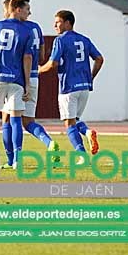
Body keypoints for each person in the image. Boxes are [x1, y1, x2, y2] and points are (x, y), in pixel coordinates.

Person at [2, 0, 59, 167]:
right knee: (28, 121)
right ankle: (49, 143)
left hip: (18, 79)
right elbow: (41, 55)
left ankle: (12, 160)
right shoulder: (35, 27)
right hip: (34, 76)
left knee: (7, 119)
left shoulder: (15, 27)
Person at [39, 10, 104, 160]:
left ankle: (82, 155)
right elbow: (99, 59)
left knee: (69, 124)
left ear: (68, 23)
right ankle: (87, 133)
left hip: (68, 87)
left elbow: (53, 63)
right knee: (75, 120)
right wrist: (91, 77)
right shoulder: (84, 39)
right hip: (84, 87)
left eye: (58, 22)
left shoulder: (60, 40)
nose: (54, 25)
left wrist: (38, 70)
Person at [0, 0, 32, 169]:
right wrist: (27, 83)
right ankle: (17, 160)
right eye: (26, 9)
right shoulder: (26, 31)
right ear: (17, 9)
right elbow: (27, 57)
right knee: (15, 120)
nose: (29, 12)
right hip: (16, 79)